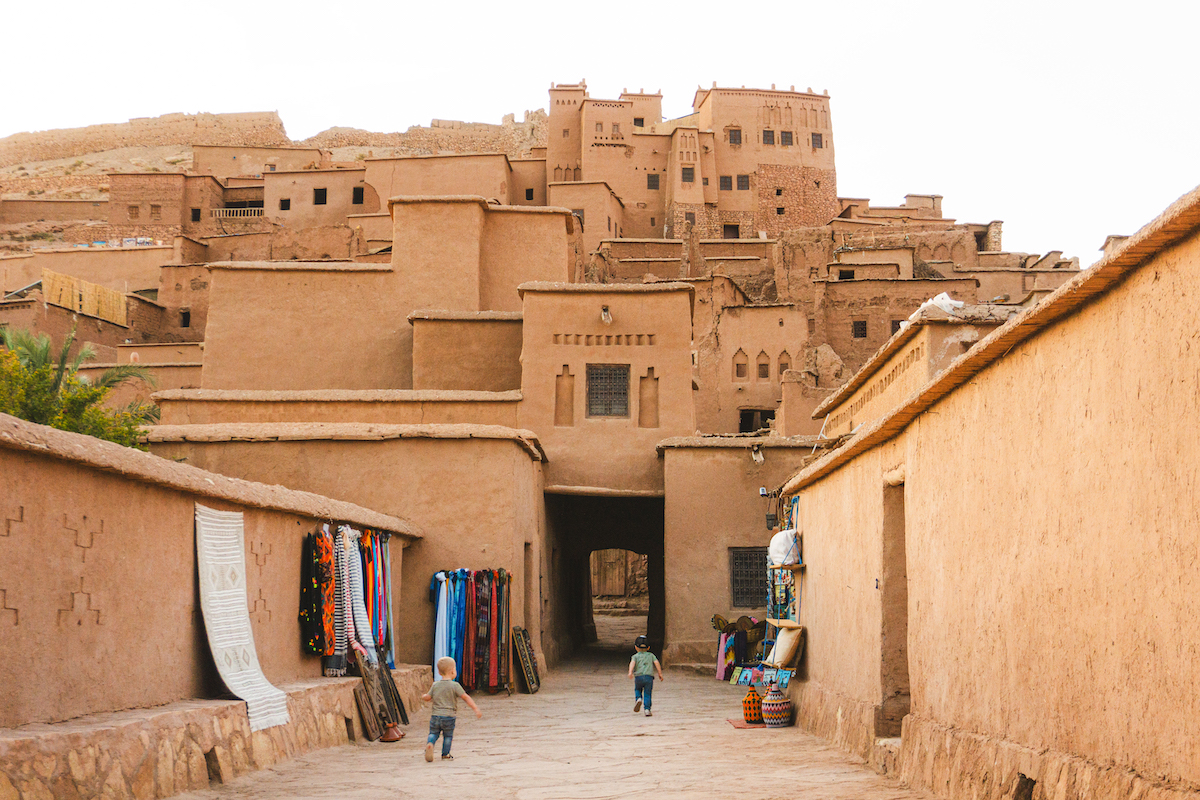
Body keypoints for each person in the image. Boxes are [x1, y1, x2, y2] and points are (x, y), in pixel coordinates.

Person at [421, 656, 482, 761]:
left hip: (436, 716)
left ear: (439, 673)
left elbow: (428, 697)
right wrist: (475, 708)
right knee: (448, 736)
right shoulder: (455, 686)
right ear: (453, 671)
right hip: (449, 717)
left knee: (433, 733)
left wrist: (423, 696)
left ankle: (430, 743)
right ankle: (445, 754)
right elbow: (465, 697)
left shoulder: (435, 685)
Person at [627, 634, 664, 717]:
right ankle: (647, 709)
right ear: (648, 648)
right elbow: (656, 663)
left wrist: (630, 672)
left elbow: (632, 663)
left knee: (637, 689)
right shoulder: (651, 655)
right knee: (647, 693)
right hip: (649, 677)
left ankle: (638, 698)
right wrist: (660, 673)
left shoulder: (635, 656)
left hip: (638, 677)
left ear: (636, 647)